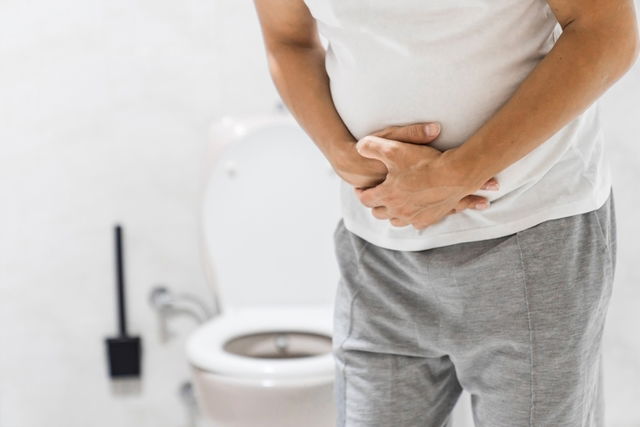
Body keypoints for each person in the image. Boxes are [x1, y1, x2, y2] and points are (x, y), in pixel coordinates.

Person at [253, 0, 639, 426]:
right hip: (378, 256)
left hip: (533, 239)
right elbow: (288, 40)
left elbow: (607, 31)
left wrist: (460, 172)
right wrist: (342, 155)